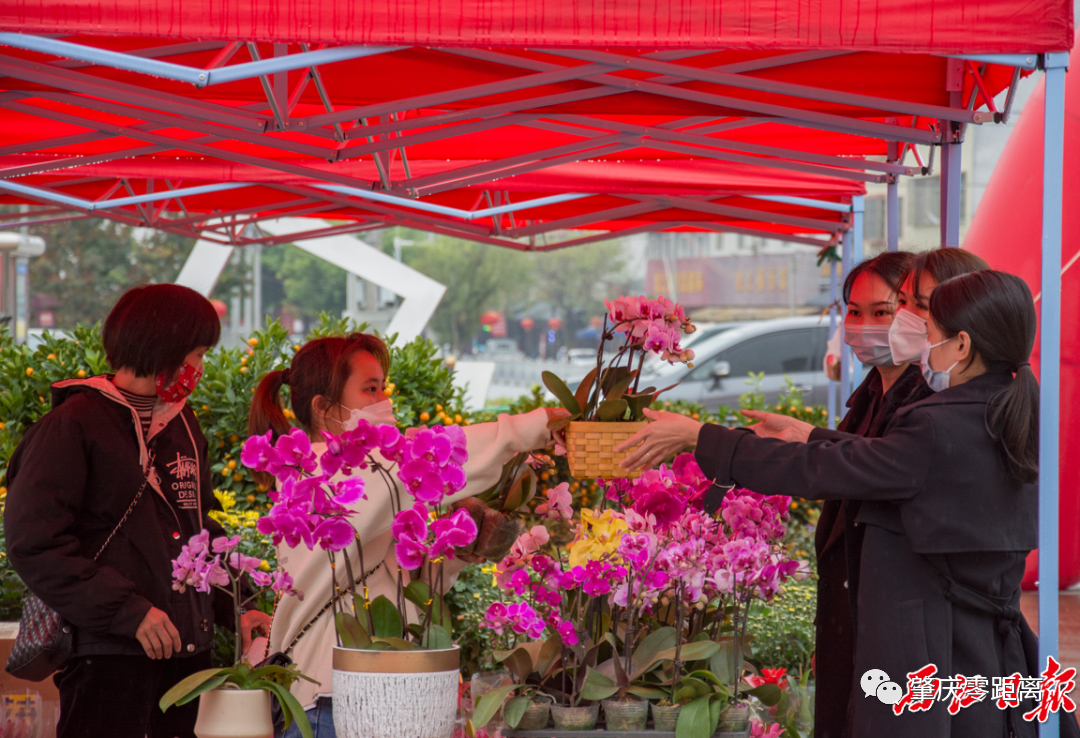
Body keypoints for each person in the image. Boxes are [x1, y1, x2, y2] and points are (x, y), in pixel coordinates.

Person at [618, 271, 1053, 737]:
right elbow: (872, 462)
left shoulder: (937, 427)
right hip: (980, 648)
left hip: (931, 649)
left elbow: (825, 470)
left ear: (962, 346)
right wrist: (812, 436)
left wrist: (700, 437)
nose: (921, 343)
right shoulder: (1008, 413)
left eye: (929, 331)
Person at [248, 333, 562, 738]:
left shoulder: (370, 476)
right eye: (370, 389)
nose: (384, 402)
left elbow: (405, 585)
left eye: (383, 387)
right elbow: (439, 452)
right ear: (324, 407)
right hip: (330, 703)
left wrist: (455, 552)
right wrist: (535, 426)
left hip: (387, 690)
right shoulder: (328, 473)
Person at [742, 248, 989, 737]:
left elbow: (856, 469)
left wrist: (712, 444)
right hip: (863, 615)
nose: (876, 324)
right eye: (856, 312)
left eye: (892, 309)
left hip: (906, 634)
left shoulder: (934, 409)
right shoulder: (871, 396)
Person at [5, 284, 270, 738]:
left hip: (187, 657)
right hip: (107, 654)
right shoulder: (72, 425)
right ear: (163, 345)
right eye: (197, 353)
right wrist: (129, 612)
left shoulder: (184, 423)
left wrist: (240, 605)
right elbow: (35, 544)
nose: (200, 368)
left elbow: (199, 530)